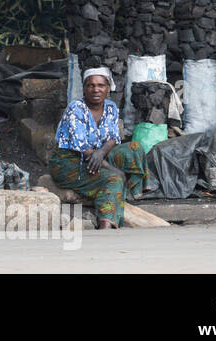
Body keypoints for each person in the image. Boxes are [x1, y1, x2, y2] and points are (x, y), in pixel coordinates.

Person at [48, 68, 148, 229]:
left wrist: (101, 154)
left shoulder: (110, 107)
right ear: (84, 88)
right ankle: (105, 225)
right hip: (68, 162)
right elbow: (81, 147)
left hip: (96, 156)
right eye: (91, 85)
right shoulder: (75, 109)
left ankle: (131, 192)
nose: (96, 89)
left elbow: (113, 137)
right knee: (113, 179)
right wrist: (114, 170)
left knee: (134, 147)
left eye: (101, 85)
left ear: (108, 88)